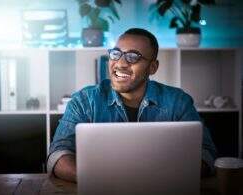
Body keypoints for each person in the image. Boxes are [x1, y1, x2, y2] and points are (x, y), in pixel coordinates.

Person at [47, 28, 216, 183]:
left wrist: (160, 179)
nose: (120, 64)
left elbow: (206, 154)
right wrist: (95, 179)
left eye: (133, 57)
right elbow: (58, 154)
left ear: (153, 67)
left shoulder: (179, 102)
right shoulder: (83, 101)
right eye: (116, 54)